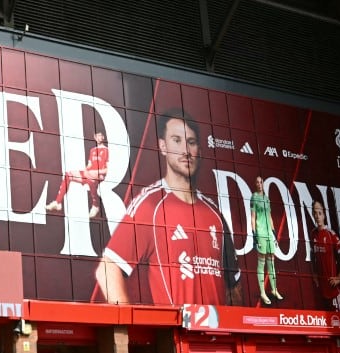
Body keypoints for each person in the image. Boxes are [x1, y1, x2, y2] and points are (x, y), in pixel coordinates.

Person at [94, 110, 241, 306]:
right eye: (176, 140)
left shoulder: (214, 213)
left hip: (217, 335)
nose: (185, 151)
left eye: (191, 142)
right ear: (163, 146)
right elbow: (107, 269)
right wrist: (128, 327)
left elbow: (234, 287)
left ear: (199, 150)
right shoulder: (150, 205)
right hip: (176, 335)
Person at [46, 131, 108, 219]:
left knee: (91, 181)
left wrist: (96, 172)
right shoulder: (92, 150)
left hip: (98, 175)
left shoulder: (106, 150)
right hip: (89, 174)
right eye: (96, 136)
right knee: (68, 175)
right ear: (95, 137)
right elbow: (89, 165)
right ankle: (57, 202)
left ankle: (95, 206)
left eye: (100, 136)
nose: (98, 137)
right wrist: (86, 171)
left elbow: (106, 170)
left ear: (103, 137)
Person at [310, 200, 340, 312]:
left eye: (320, 213)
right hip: (321, 293)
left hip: (333, 293)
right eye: (315, 213)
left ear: (324, 215)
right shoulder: (313, 234)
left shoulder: (330, 234)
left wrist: (338, 278)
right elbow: (312, 257)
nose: (317, 216)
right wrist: (314, 275)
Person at [251, 176, 283, 305]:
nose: (259, 184)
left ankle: (274, 289)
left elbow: (269, 216)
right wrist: (254, 234)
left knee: (271, 262)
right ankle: (262, 293)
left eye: (261, 182)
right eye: (257, 182)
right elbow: (253, 217)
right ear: (255, 184)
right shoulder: (254, 197)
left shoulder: (266, 198)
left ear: (263, 184)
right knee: (261, 263)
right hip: (261, 234)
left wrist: (274, 232)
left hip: (269, 234)